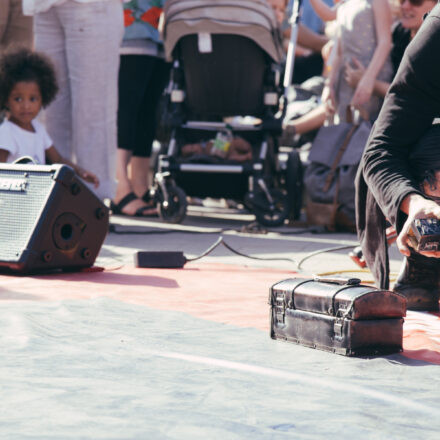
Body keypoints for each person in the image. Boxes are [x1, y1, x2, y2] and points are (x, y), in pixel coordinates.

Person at [356, 4, 440, 311]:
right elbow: (381, 151)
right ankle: (425, 267)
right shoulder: (436, 37)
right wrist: (417, 204)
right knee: (434, 150)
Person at [22, 0, 124, 200]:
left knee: (92, 111)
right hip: (44, 6)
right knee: (49, 112)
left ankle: (94, 205)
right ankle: (53, 205)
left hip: (91, 6)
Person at [0, 47, 99, 186]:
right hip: (15, 197)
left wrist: (80, 171)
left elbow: (57, 160)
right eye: (18, 99)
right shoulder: (6, 132)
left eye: (33, 99)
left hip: (36, 193)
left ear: (43, 98)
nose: (26, 106)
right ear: (5, 99)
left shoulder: (38, 129)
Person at [112, 0, 169, 217]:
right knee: (127, 107)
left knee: (147, 110)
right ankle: (120, 187)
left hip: (159, 27)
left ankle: (139, 185)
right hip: (130, 25)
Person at [345, 0, 437, 99]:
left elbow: (420, 98)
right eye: (402, 0)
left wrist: (371, 83)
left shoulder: (435, 46)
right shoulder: (399, 32)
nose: (405, 6)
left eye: (415, 1)